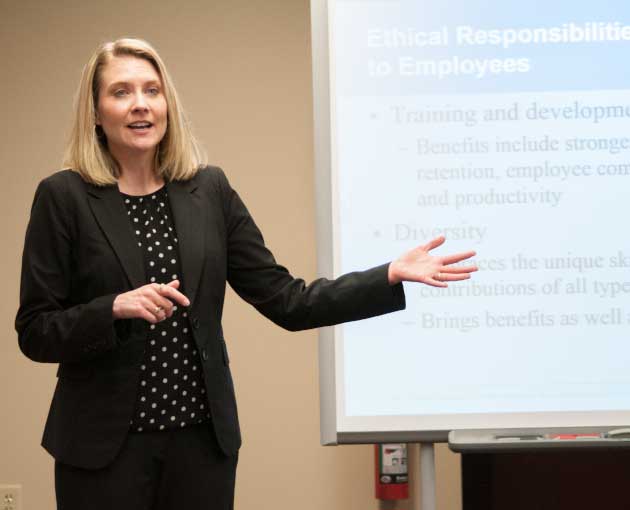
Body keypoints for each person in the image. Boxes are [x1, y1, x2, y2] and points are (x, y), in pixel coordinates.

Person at [15, 38, 477, 510]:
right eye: (121, 92)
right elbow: (35, 331)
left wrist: (387, 277)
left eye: (153, 91)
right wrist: (112, 308)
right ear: (95, 112)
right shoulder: (63, 196)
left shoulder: (208, 190)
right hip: (102, 452)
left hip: (200, 447)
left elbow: (287, 299)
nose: (140, 105)